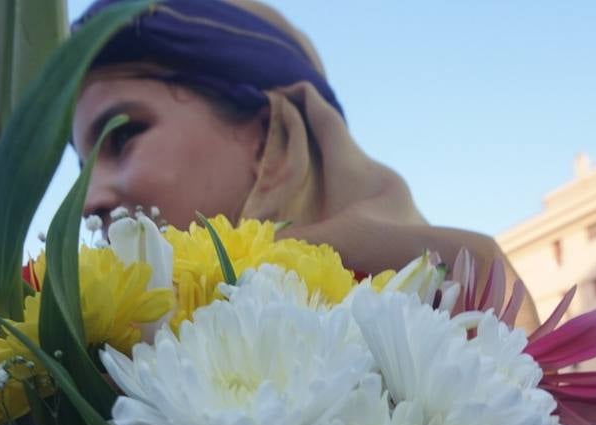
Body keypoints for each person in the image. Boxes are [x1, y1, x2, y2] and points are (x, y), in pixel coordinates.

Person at [71, 0, 539, 327]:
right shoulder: (69, 379)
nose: (88, 201)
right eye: (80, 168)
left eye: (121, 135)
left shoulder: (466, 304)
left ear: (269, 136)